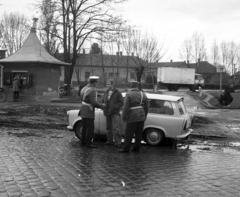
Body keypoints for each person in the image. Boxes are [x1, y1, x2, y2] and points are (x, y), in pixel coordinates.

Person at [118, 81, 149, 153]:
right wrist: (145, 115)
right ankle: (137, 148)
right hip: (141, 115)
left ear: (131, 86)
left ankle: (126, 148)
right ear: (137, 86)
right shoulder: (143, 94)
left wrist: (124, 117)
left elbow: (126, 107)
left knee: (129, 133)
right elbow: (147, 106)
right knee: (138, 133)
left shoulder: (128, 94)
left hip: (132, 115)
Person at [79, 76, 104, 148]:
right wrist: (102, 106)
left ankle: (83, 141)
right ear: (95, 82)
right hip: (89, 110)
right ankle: (88, 143)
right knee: (90, 128)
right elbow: (93, 103)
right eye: (96, 82)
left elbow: (82, 99)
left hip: (83, 109)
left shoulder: (83, 88)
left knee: (84, 127)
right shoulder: (91, 90)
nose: (96, 83)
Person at [102, 79, 123, 148]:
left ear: (112, 84)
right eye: (107, 84)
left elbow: (121, 102)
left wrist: (114, 107)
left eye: (109, 84)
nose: (108, 85)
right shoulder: (105, 92)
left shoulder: (117, 93)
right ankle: (110, 140)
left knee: (116, 127)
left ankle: (118, 142)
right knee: (108, 127)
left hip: (115, 112)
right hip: (107, 112)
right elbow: (103, 101)